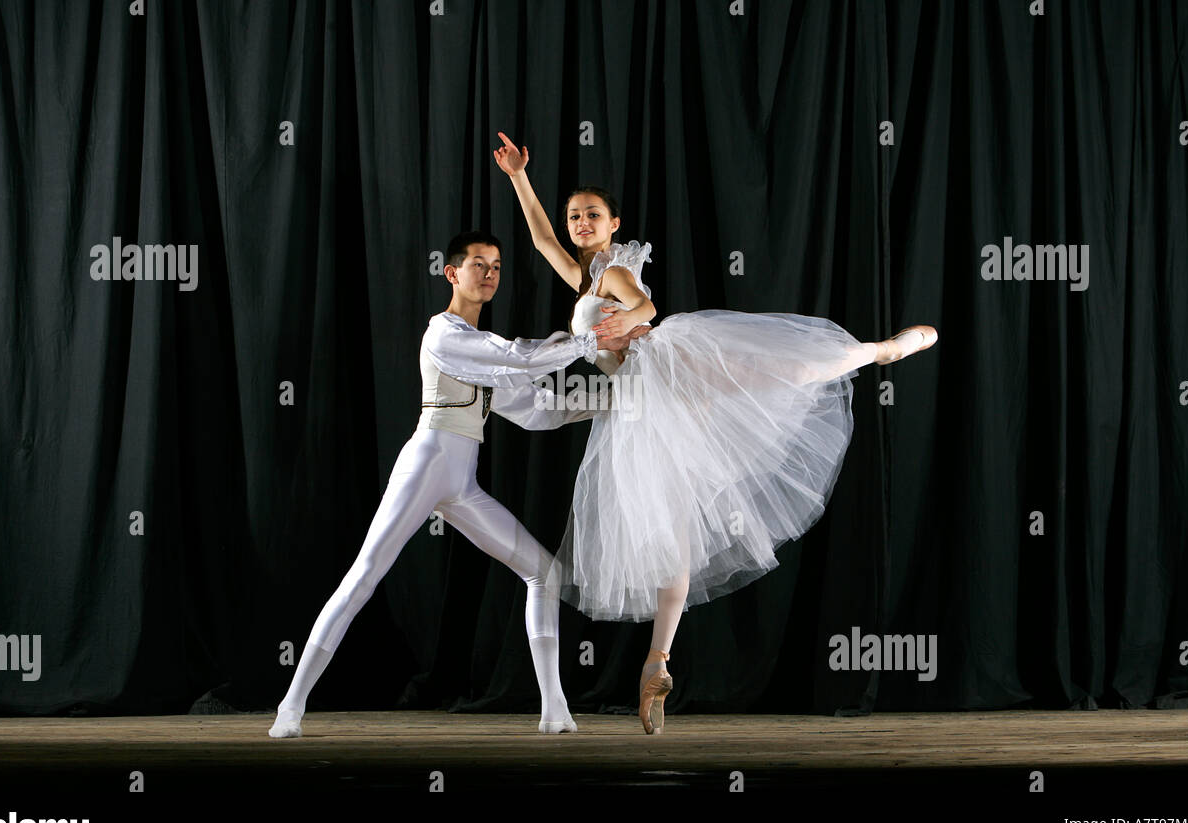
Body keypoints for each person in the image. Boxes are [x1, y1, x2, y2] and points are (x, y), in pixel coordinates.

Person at [493, 131, 938, 734]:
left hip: (671, 367)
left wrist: (635, 316)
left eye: (591, 215)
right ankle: (657, 663)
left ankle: (877, 352)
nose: (578, 223)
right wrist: (520, 177)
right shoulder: (584, 277)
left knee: (779, 372)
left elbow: (645, 305)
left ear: (614, 222)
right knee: (674, 541)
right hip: (645, 407)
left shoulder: (616, 273)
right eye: (575, 215)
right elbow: (542, 239)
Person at [268, 231, 631, 738]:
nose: (489, 273)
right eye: (478, 264)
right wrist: (590, 341)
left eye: (497, 266)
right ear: (452, 273)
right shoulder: (445, 334)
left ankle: (555, 711)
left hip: (460, 481)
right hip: (426, 463)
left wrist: (612, 404)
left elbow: (536, 410)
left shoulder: (485, 352)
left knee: (543, 575)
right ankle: (290, 707)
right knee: (365, 575)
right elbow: (520, 357)